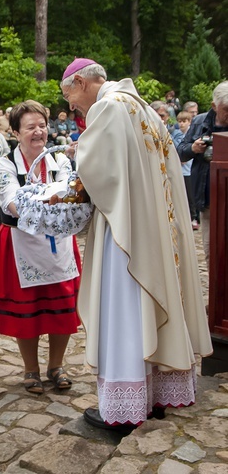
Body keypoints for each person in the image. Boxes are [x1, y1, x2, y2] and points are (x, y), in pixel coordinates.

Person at [60, 58, 212, 431]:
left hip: (124, 231)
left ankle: (123, 409)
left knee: (124, 309)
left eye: (70, 97)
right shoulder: (144, 108)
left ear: (81, 81)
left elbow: (99, 172)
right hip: (156, 228)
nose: (71, 107)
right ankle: (154, 396)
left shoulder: (109, 108)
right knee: (145, 305)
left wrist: (75, 157)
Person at [0, 100, 81, 394]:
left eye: (42, 125)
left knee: (63, 307)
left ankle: (56, 365)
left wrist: (60, 200)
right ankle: (31, 368)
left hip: (59, 244)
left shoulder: (60, 160)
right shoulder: (6, 164)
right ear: (16, 132)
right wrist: (48, 202)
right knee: (28, 308)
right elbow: (10, 202)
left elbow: (71, 191)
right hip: (22, 243)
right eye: (30, 127)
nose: (39, 132)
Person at [177, 81, 228, 267]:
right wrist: (193, 148)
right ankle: (217, 295)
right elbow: (180, 150)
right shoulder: (200, 122)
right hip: (209, 201)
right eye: (226, 109)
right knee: (211, 252)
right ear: (214, 106)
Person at [170, 111, 198, 230]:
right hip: (179, 171)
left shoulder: (190, 135)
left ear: (189, 122)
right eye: (179, 121)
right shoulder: (175, 134)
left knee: (190, 197)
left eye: (184, 121)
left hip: (188, 170)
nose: (181, 124)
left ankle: (194, 217)